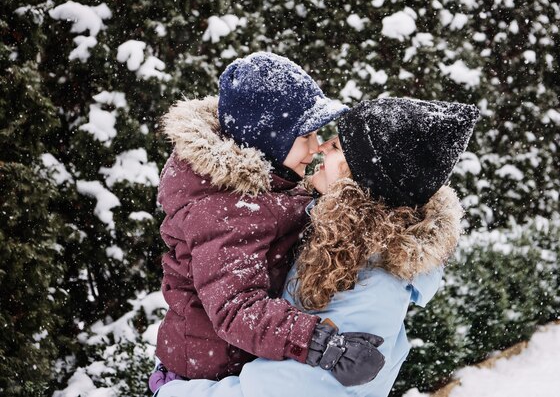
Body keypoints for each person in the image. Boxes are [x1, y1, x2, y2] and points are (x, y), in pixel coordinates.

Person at [153, 97, 479, 397]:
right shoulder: (336, 238)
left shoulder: (369, 287)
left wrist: (171, 393)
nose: (319, 149)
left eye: (336, 146)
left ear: (362, 181)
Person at [151, 52, 386, 391]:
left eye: (317, 134)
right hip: (207, 374)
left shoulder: (271, 178)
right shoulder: (225, 210)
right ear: (265, 140)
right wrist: (321, 345)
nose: (316, 147)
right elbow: (237, 308)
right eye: (304, 136)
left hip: (240, 361)